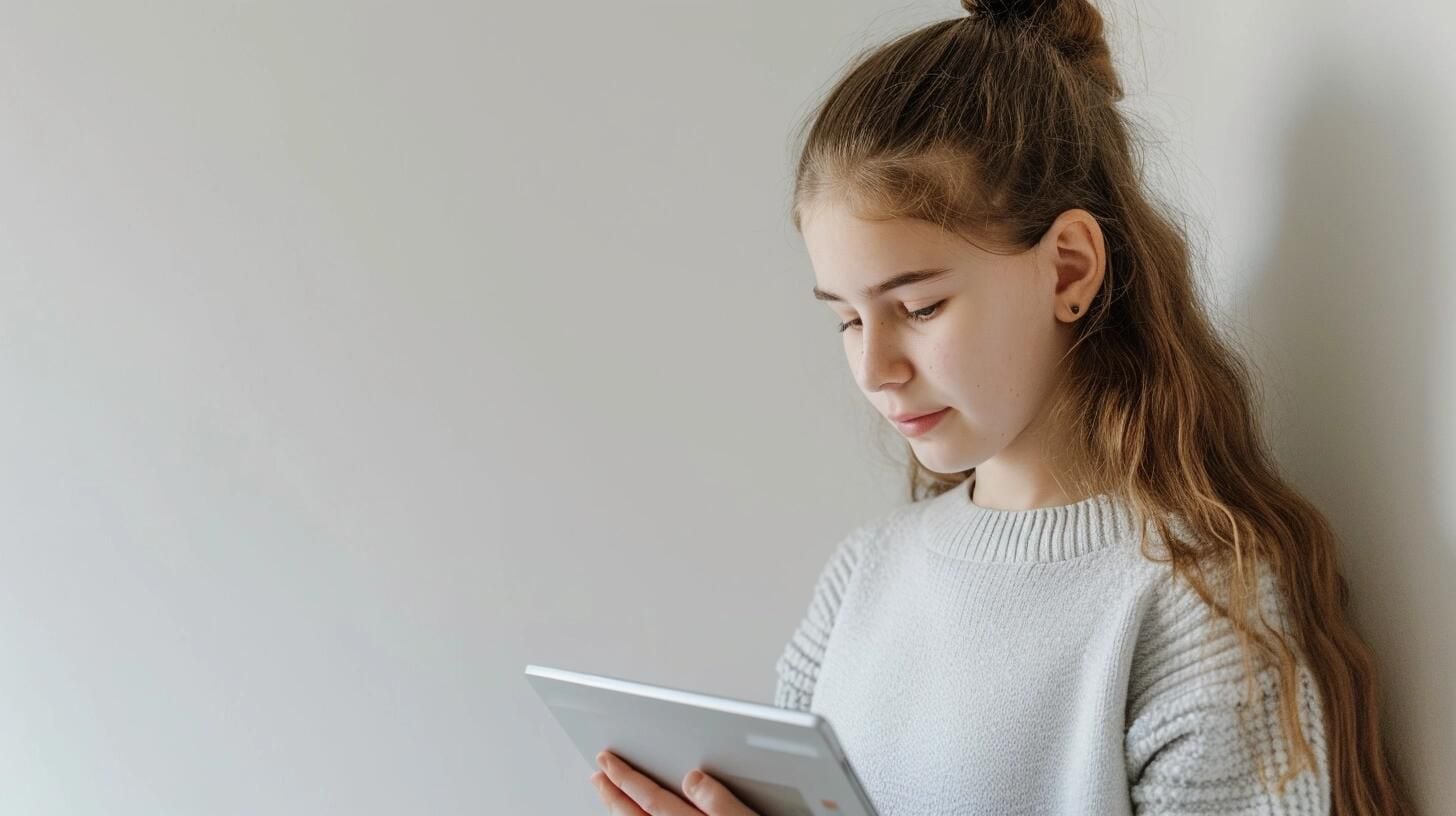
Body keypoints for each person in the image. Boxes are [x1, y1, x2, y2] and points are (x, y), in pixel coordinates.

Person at [591, 1, 1415, 813]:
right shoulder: (863, 577)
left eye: (917, 308)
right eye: (846, 317)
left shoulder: (1196, 609)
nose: (874, 368)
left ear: (1066, 269)